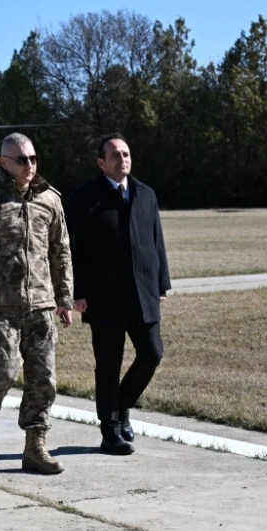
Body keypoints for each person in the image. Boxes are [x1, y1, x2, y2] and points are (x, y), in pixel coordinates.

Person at [0, 133, 73, 475]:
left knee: (44, 379)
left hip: (41, 304)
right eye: (22, 160)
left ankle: (35, 446)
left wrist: (64, 297)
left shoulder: (50, 200)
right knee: (5, 372)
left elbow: (60, 251)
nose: (30, 166)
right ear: (4, 162)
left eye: (33, 159)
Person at [65, 132, 171, 455]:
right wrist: (76, 292)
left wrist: (161, 283)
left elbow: (156, 241)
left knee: (152, 353)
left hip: (142, 294)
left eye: (126, 154)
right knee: (108, 366)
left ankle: (120, 408)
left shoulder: (145, 194)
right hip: (102, 297)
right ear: (101, 163)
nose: (122, 159)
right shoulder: (84, 198)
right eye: (115, 155)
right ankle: (110, 431)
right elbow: (71, 250)